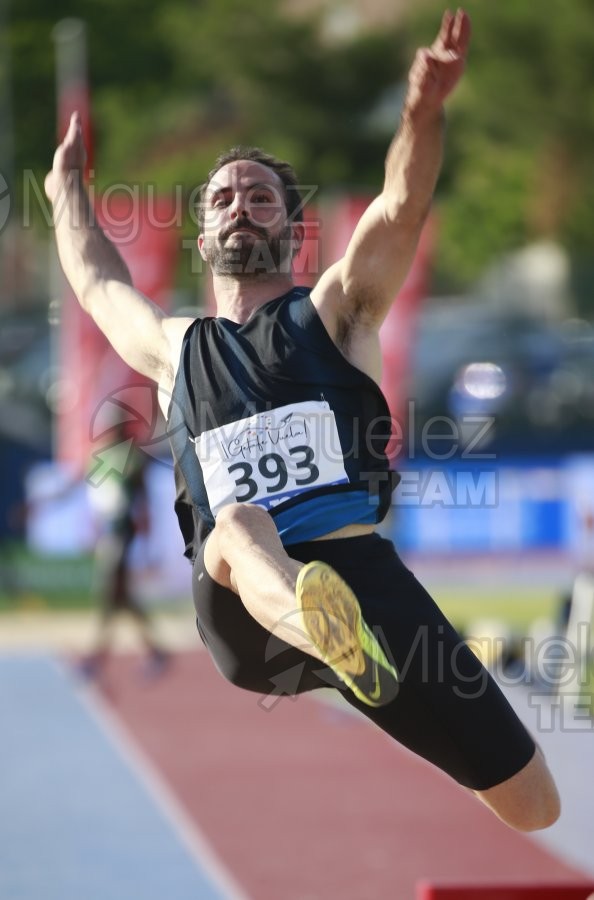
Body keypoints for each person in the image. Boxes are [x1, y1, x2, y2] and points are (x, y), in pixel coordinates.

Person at [45, 9, 560, 831]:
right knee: (242, 522)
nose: (240, 205)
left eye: (259, 195)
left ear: (291, 223)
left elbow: (400, 205)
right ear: (203, 234)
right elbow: (99, 283)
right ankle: (328, 637)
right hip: (245, 604)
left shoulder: (336, 313)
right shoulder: (178, 350)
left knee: (534, 807)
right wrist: (61, 194)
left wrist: (421, 115)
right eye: (222, 197)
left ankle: (352, 645)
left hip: (366, 582)